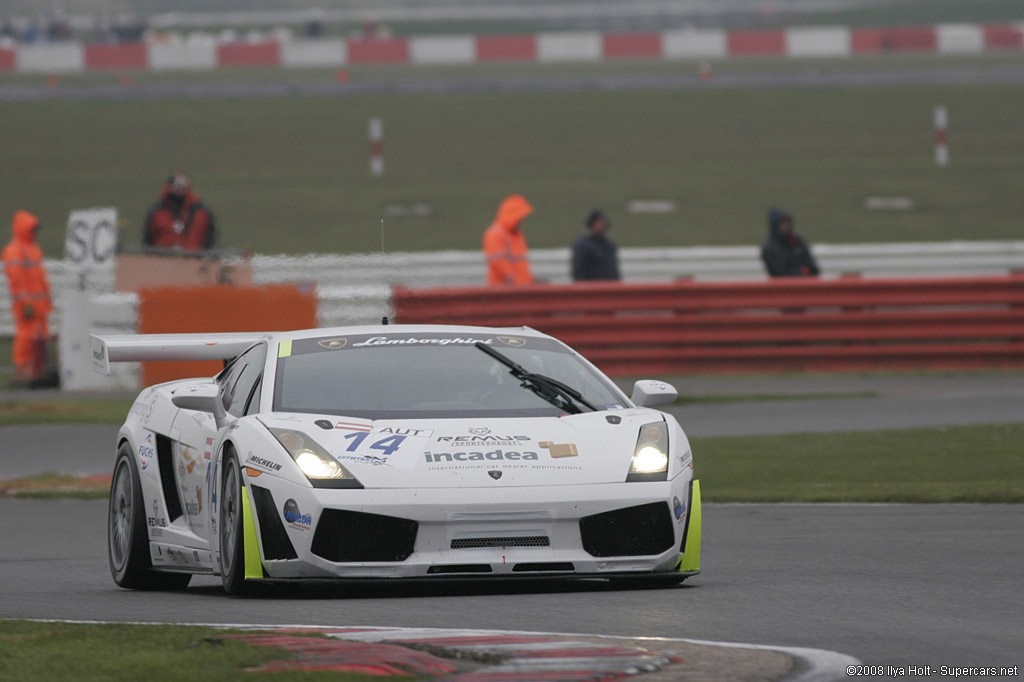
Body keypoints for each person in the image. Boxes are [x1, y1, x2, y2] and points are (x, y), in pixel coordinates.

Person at [2, 210, 53, 385]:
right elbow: (16, 281)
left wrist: (47, 300)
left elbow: (40, 277)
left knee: (40, 339)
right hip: (28, 306)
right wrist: (26, 303)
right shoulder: (14, 251)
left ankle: (37, 371)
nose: (36, 233)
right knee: (26, 337)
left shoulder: (32, 249)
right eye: (33, 229)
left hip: (40, 305)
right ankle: (23, 370)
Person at [142, 173, 217, 252]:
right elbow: (147, 242)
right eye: (176, 187)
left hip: (195, 259)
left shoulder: (202, 213)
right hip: (163, 259)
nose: (179, 191)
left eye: (182, 187)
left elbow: (210, 242)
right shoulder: (156, 213)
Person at [483, 194, 534, 285]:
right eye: (520, 218)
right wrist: (515, 281)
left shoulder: (516, 234)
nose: (522, 221)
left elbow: (520, 262)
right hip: (504, 292)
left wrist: (529, 281)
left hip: (520, 289)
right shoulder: (495, 233)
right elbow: (498, 262)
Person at [761, 207, 819, 277]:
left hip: (805, 282)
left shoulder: (796, 241)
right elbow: (778, 273)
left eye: (786, 223)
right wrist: (800, 272)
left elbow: (812, 266)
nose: (785, 226)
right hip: (782, 285)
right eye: (781, 224)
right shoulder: (770, 247)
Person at [571, 209, 620, 281]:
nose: (601, 225)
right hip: (591, 288)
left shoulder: (610, 244)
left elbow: (613, 269)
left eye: (602, 222)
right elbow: (578, 271)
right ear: (591, 224)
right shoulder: (582, 245)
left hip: (610, 287)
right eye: (598, 222)